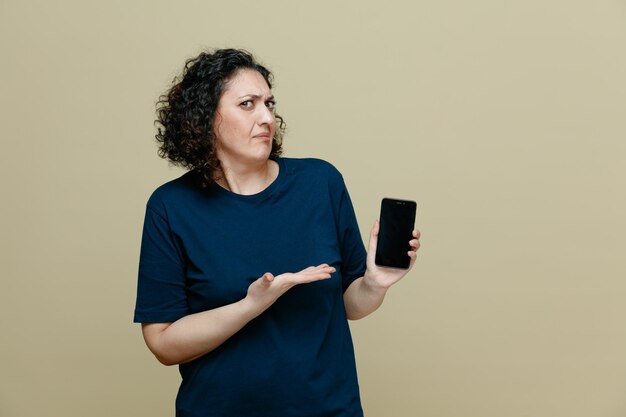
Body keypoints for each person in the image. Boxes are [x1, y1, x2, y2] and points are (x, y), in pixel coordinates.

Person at [134, 48, 421, 417]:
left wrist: (375, 284)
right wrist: (251, 305)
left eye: (269, 103)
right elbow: (163, 344)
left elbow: (349, 304)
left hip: (327, 409)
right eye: (248, 104)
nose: (267, 117)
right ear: (204, 118)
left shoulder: (321, 183)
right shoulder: (170, 207)